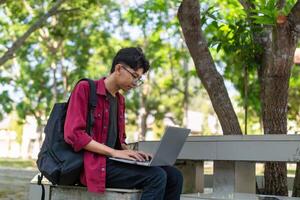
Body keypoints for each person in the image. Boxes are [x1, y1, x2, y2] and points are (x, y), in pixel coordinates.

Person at [64, 47, 183, 200]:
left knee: (175, 176)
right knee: (156, 177)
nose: (135, 83)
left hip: (113, 162)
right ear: (119, 68)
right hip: (92, 165)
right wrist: (114, 152)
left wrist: (134, 154)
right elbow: (74, 135)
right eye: (134, 76)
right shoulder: (85, 88)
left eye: (138, 79)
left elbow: (118, 142)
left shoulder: (120, 101)